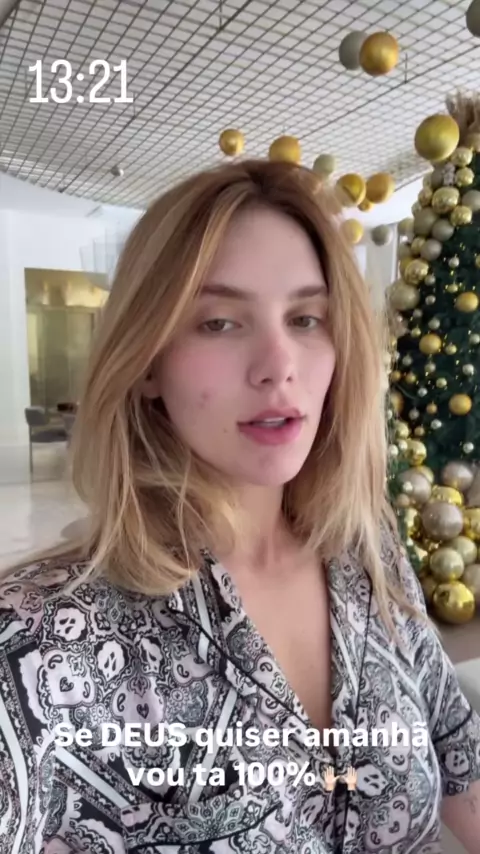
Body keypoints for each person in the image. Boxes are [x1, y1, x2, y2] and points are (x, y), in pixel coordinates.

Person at [0, 159, 479, 854]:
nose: (279, 364)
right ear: (147, 361)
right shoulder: (37, 643)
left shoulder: (366, 548)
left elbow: (458, 757)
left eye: (306, 318)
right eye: (220, 322)